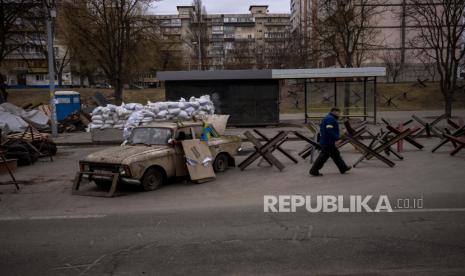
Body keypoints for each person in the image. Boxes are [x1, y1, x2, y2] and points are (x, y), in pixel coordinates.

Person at [309, 107, 351, 176]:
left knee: (336, 155)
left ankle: (343, 168)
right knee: (323, 157)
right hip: (328, 141)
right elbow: (329, 130)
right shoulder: (330, 119)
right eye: (338, 112)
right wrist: (336, 138)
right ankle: (314, 170)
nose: (339, 114)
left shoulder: (329, 118)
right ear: (334, 111)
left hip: (327, 141)